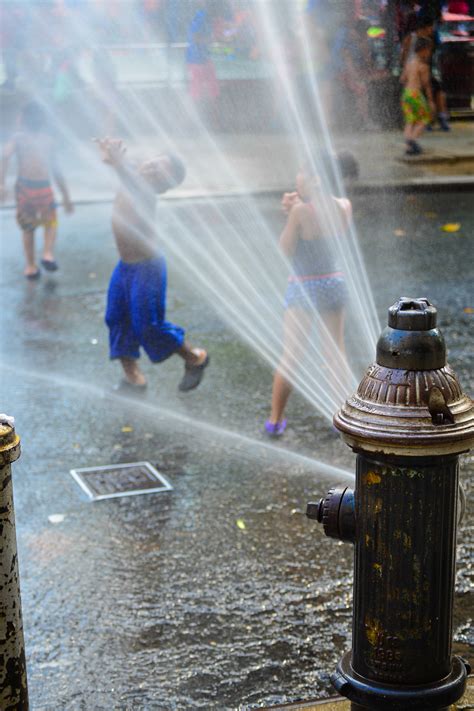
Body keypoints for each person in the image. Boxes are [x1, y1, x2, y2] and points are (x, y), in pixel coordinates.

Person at [95, 137, 209, 393]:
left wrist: (119, 165)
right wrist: (110, 154)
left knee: (149, 325)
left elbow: (129, 179)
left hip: (148, 269)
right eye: (155, 162)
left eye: (161, 172)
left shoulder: (144, 191)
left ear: (162, 188)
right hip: (125, 267)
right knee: (116, 318)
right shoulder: (133, 172)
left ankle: (195, 357)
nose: (153, 168)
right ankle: (133, 376)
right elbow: (122, 166)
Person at [265, 151, 356, 437]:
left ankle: (275, 420)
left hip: (305, 287)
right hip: (333, 283)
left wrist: (291, 214)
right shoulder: (344, 205)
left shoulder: (301, 211)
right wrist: (297, 208)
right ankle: (339, 417)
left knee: (292, 354)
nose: (298, 179)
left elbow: (285, 251)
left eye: (302, 174)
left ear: (315, 179)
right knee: (335, 353)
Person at [0, 101, 73, 279]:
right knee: (50, 224)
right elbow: (57, 171)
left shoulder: (18, 139)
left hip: (25, 189)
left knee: (28, 228)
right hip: (44, 189)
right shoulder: (49, 140)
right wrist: (65, 196)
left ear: (23, 120)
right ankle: (47, 253)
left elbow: (3, 156)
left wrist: (1, 183)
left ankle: (30, 267)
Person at [185, 2, 219, 124]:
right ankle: (194, 119)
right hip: (196, 60)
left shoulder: (204, 17)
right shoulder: (201, 17)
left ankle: (211, 117)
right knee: (197, 90)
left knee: (210, 88)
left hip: (202, 59)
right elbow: (195, 37)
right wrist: (209, 40)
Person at [400, 37, 435, 155]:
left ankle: (407, 148)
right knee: (424, 119)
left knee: (410, 121)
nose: (429, 53)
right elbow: (427, 85)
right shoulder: (423, 66)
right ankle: (412, 141)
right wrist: (430, 101)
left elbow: (402, 79)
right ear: (423, 50)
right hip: (416, 94)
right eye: (429, 50)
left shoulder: (409, 63)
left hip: (406, 95)